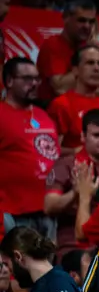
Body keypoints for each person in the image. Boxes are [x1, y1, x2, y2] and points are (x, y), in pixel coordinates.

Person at [46, 109, 99, 252]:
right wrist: (75, 193)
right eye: (97, 135)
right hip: (75, 247)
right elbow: (49, 206)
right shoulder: (67, 165)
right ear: (83, 136)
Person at [0, 58, 61, 243]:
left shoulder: (43, 115)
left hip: (47, 211)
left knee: (45, 270)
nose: (34, 84)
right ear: (9, 81)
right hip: (12, 212)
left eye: (37, 79)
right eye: (27, 79)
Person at [35, 0, 99, 103]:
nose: (87, 26)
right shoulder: (53, 45)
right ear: (66, 18)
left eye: (91, 22)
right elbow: (60, 89)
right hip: (53, 110)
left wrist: (81, 88)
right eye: (81, 20)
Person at [46, 45, 99, 152]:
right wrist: (78, 152)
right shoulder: (61, 104)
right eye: (90, 63)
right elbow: (49, 149)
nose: (96, 68)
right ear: (75, 70)